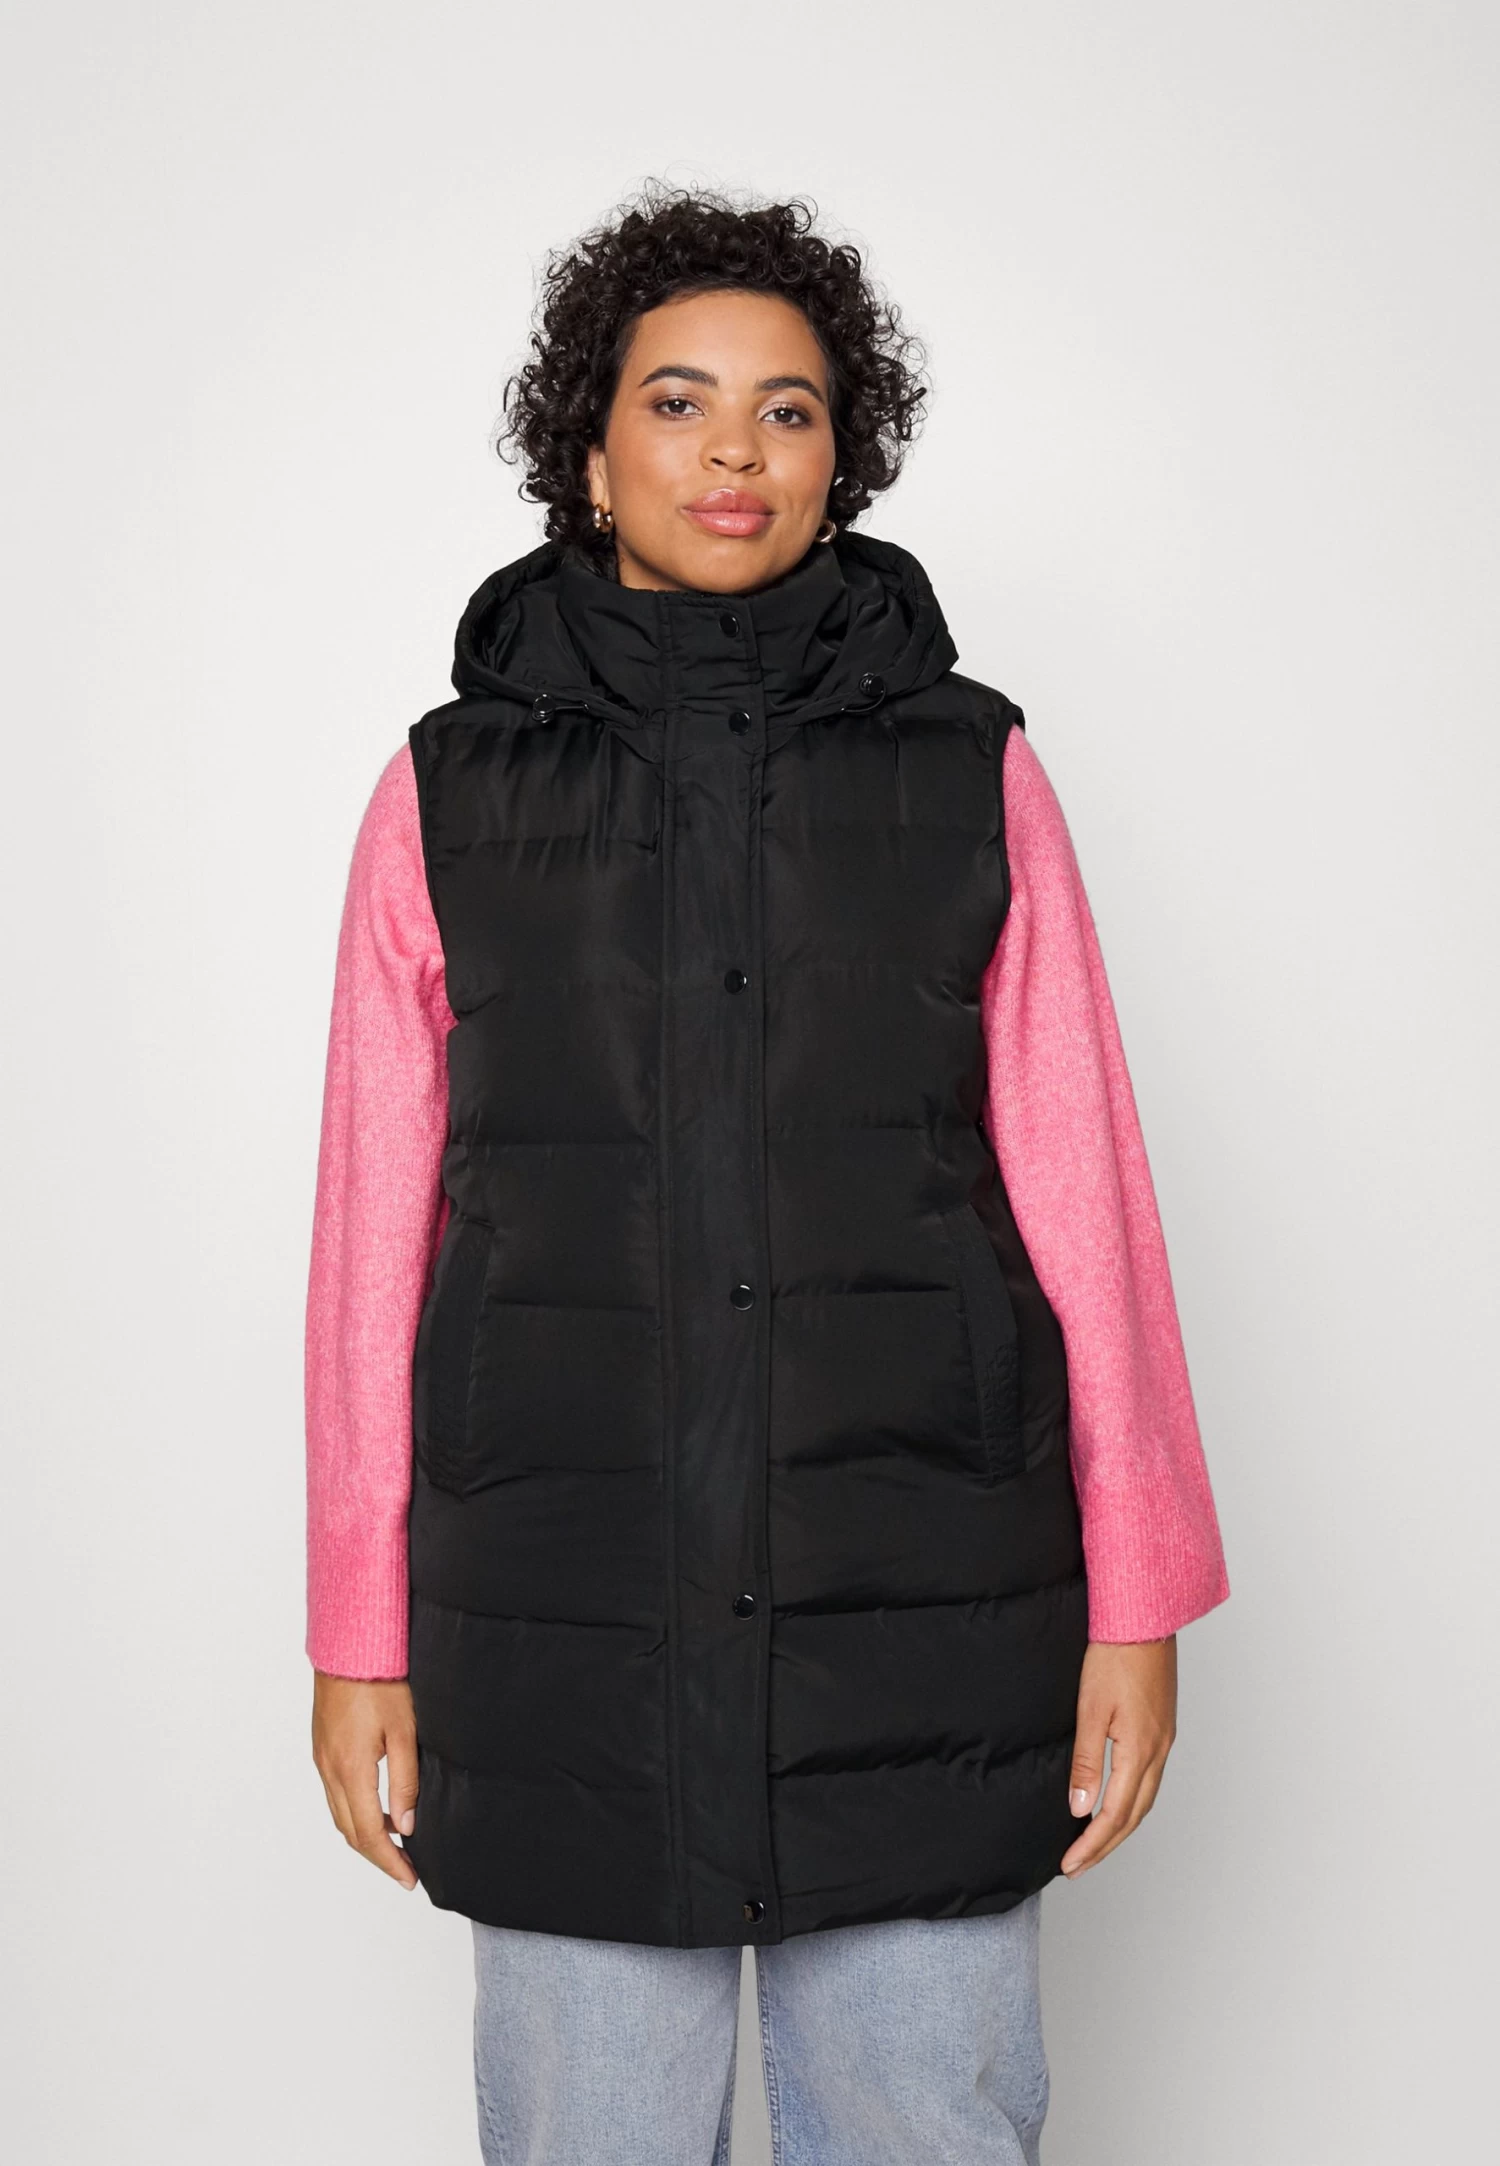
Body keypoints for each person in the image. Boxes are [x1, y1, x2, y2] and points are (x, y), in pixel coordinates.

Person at [305, 184, 1230, 2166]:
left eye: (788, 409)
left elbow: (1089, 1199)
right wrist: (357, 1632)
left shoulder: (974, 773)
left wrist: (1139, 1596)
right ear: (591, 453)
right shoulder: (446, 795)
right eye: (680, 400)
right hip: (562, 1626)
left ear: (840, 459)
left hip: (930, 1610)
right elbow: (374, 1246)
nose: (735, 448)